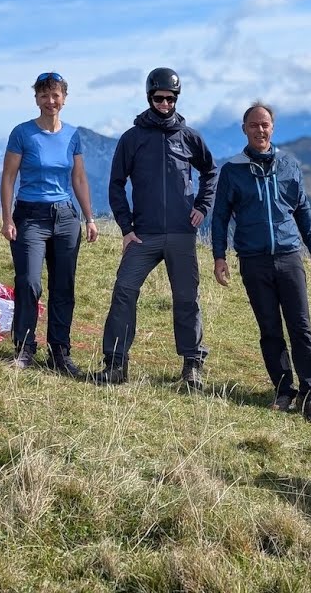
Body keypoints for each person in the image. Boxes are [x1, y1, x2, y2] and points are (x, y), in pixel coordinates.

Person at [93, 67, 218, 388]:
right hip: (143, 234)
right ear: (149, 97)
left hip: (181, 234)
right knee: (124, 291)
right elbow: (116, 184)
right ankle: (116, 365)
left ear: (176, 99)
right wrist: (126, 227)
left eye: (170, 98)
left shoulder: (189, 137)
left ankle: (192, 367)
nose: (164, 103)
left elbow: (210, 172)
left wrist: (202, 207)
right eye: (159, 98)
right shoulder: (132, 138)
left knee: (186, 298)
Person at [210, 101, 311, 422]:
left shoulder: (289, 164)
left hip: (290, 257)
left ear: (272, 128)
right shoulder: (232, 170)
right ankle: (283, 389)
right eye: (254, 125)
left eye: (265, 125)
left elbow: (302, 210)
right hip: (253, 260)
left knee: (301, 327)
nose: (260, 130)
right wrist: (219, 256)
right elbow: (220, 217)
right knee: (269, 328)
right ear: (245, 129)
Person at [0, 71, 98, 377]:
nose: (50, 101)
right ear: (36, 99)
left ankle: (60, 352)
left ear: (64, 99)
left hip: (66, 217)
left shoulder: (73, 135)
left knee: (63, 285)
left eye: (55, 95)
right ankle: (25, 349)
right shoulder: (22, 133)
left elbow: (78, 178)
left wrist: (90, 218)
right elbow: (8, 177)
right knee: (29, 282)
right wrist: (6, 218)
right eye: (44, 95)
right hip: (30, 215)